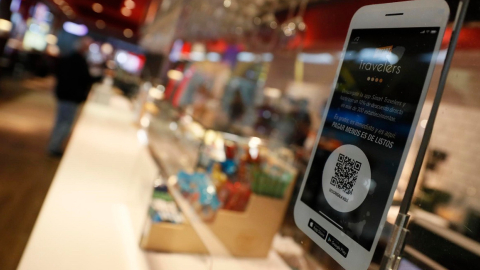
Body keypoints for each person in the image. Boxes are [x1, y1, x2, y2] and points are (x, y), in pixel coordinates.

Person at [48, 37, 93, 156]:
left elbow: (58, 74)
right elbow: (84, 79)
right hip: (71, 97)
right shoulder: (78, 61)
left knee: (60, 122)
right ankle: (54, 147)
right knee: (65, 124)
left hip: (64, 95)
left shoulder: (68, 58)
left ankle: (53, 146)